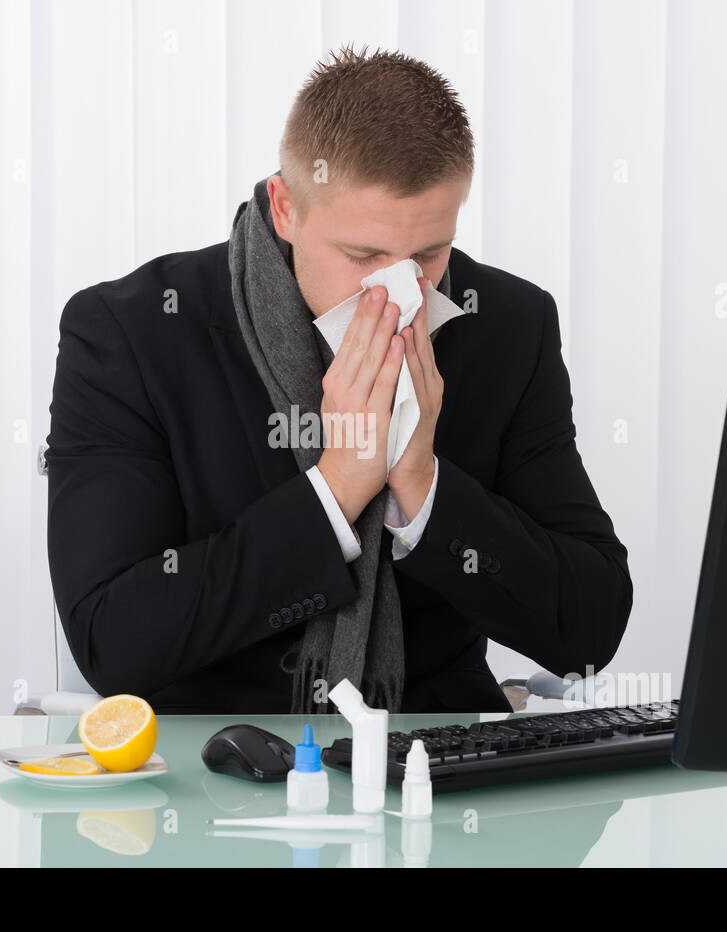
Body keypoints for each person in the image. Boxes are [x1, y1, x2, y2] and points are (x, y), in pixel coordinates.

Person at [45, 45, 632, 714]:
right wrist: (339, 487)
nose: (402, 291)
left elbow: (590, 624)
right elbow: (112, 640)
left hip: (436, 767)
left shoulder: (509, 326)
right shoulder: (133, 333)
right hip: (208, 769)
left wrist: (422, 483)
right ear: (286, 206)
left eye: (430, 253)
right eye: (364, 255)